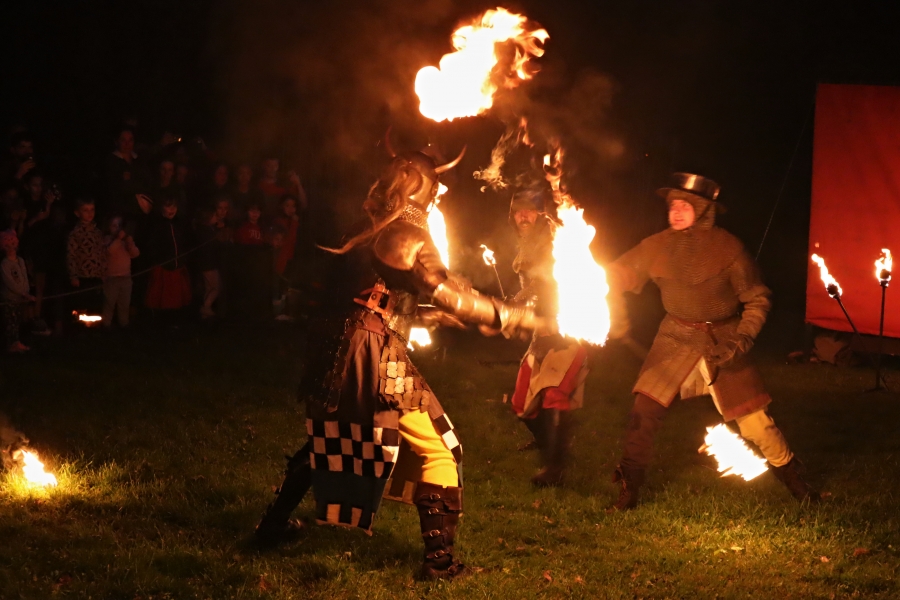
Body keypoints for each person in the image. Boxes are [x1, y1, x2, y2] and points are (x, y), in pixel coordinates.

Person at [254, 145, 538, 580]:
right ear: (422, 186)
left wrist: (438, 317)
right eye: (435, 186)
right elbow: (447, 292)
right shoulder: (408, 231)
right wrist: (511, 315)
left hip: (334, 344)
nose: (438, 195)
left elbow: (376, 295)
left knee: (332, 438)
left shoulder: (366, 225)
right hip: (371, 352)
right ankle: (439, 562)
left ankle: (272, 525)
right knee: (440, 446)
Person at [605, 173, 819, 511]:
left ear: (704, 210)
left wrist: (741, 339)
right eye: (672, 206)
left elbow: (758, 300)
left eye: (684, 206)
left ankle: (796, 481)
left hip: (723, 340)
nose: (676, 212)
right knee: (643, 413)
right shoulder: (656, 245)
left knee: (755, 424)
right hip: (674, 337)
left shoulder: (729, 249)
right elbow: (619, 274)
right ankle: (629, 488)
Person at [507, 186, 589, 487]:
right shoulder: (525, 243)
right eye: (518, 211)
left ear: (540, 214)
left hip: (565, 330)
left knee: (554, 394)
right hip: (540, 333)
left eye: (529, 210)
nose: (523, 216)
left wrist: (519, 302)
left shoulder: (555, 239)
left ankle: (555, 467)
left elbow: (547, 281)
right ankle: (547, 443)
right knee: (521, 403)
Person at [144, 196, 191, 312]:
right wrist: (159, 259)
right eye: (168, 206)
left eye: (174, 206)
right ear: (161, 207)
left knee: (177, 299)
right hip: (163, 267)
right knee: (162, 299)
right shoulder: (156, 225)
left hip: (178, 266)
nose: (172, 209)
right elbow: (151, 245)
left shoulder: (179, 223)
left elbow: (185, 242)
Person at [67, 198, 106, 315]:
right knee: (82, 309)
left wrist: (103, 272)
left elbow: (102, 253)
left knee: (95, 309)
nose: (90, 213)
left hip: (96, 277)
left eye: (92, 210)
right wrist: (73, 276)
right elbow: (71, 255)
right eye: (85, 210)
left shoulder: (97, 232)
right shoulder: (76, 233)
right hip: (82, 277)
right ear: (77, 213)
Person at [102, 215, 140, 328]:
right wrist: (118, 239)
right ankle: (106, 325)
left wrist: (129, 242)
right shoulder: (107, 239)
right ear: (109, 227)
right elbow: (109, 251)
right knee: (109, 304)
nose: (117, 228)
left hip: (126, 277)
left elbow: (135, 254)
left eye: (119, 225)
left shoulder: (126, 240)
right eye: (114, 225)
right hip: (111, 278)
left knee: (124, 304)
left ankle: (124, 324)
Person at [1, 230, 35, 352]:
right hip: (11, 298)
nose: (11, 247)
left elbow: (24, 277)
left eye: (13, 244)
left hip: (21, 298)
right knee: (11, 322)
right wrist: (23, 293)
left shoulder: (20, 260)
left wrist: (26, 291)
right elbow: (10, 282)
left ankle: (16, 342)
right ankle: (11, 343)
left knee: (18, 321)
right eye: (7, 245)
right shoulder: (5, 264)